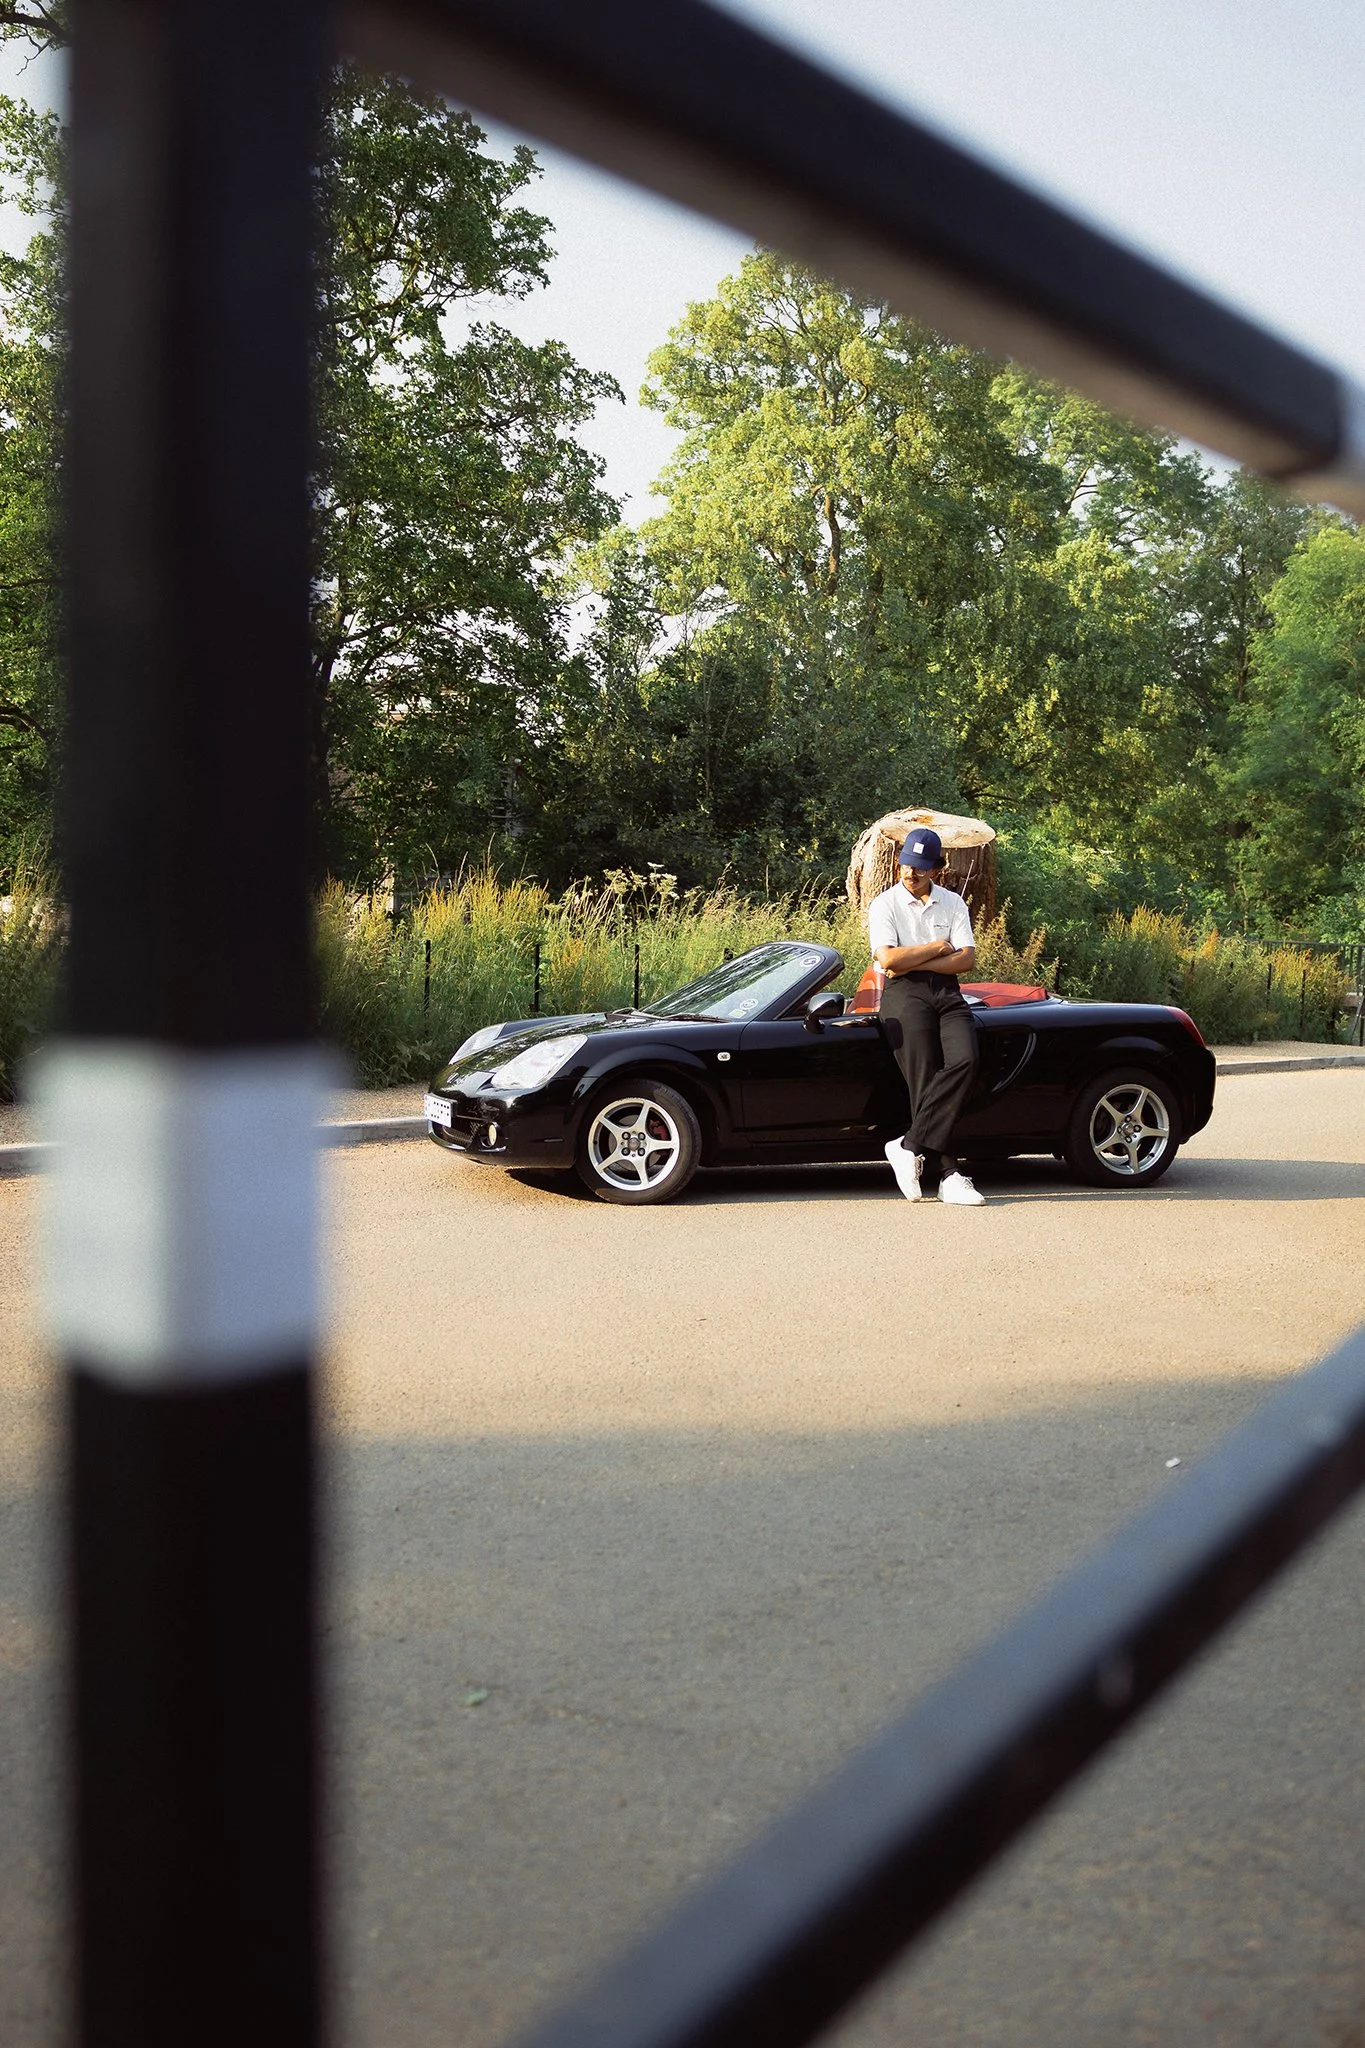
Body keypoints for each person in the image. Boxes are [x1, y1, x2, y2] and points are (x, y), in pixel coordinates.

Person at [867, 827, 986, 1205]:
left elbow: (966, 959)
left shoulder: (953, 903)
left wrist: (912, 958)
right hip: (904, 996)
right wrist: (937, 946)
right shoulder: (884, 904)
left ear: (937, 868)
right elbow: (888, 960)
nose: (910, 873)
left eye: (920, 867)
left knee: (965, 1060)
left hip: (947, 994)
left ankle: (908, 1145)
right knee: (923, 1077)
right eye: (906, 864)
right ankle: (950, 1175)